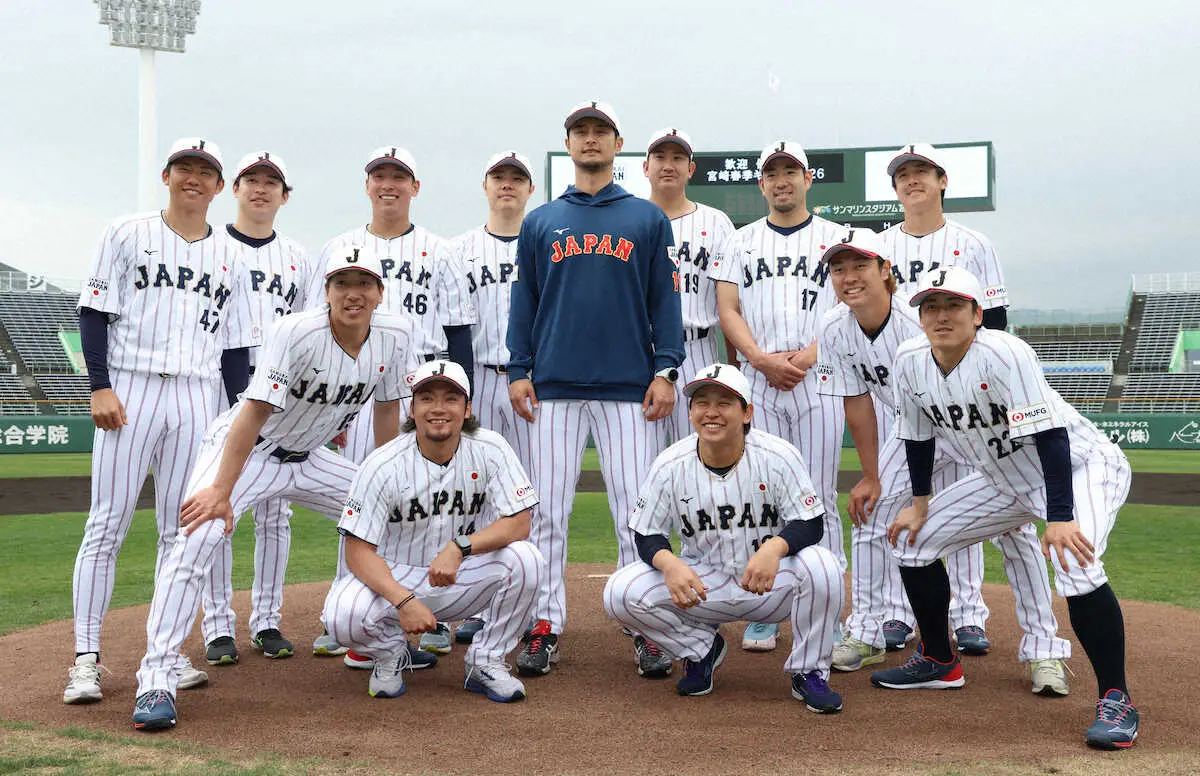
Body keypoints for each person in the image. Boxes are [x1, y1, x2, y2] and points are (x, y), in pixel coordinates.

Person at [130, 247, 420, 731]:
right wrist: (221, 490)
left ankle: (380, 642)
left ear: (379, 292)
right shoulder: (297, 331)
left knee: (396, 517)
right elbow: (254, 412)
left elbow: (388, 410)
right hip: (250, 451)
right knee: (198, 537)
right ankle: (156, 676)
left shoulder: (396, 335)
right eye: (341, 283)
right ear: (325, 292)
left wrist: (383, 482)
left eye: (364, 283)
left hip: (311, 460)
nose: (353, 293)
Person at [870, 266, 1139, 751]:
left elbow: (1051, 437)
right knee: (915, 541)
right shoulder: (910, 360)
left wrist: (1060, 516)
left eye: (953, 305)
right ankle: (938, 661)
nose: (941, 315)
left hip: (1080, 468)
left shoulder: (1003, 353)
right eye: (931, 307)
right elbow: (916, 436)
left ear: (977, 314)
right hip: (1003, 478)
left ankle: (1116, 700)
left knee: (1075, 563)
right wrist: (919, 504)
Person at [814, 231, 1071, 696]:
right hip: (912, 431)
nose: (849, 277)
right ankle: (869, 630)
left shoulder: (923, 320)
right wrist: (871, 475)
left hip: (976, 428)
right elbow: (857, 403)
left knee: (1013, 530)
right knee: (873, 514)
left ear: (885, 270)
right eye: (839, 268)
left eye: (860, 266)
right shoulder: (834, 328)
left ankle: (1041, 648)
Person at [65, 138, 256, 705]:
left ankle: (165, 657)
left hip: (198, 396)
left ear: (220, 187)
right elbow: (94, 311)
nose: (194, 178)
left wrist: (236, 416)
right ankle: (86, 659)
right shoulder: (127, 232)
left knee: (181, 531)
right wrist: (98, 383)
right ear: (167, 175)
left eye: (206, 171)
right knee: (107, 524)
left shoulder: (233, 256)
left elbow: (234, 353)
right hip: (132, 386)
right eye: (185, 168)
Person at [507, 99, 684, 677]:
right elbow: (524, 302)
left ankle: (645, 624)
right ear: (568, 143)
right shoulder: (540, 221)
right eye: (579, 132)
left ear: (616, 143)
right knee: (549, 513)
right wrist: (518, 369)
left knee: (635, 514)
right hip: (554, 387)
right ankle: (544, 624)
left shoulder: (646, 219)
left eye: (599, 132)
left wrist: (665, 370)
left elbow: (665, 301)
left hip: (629, 388)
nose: (589, 140)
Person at [603, 364, 844, 712]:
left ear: (747, 412)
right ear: (690, 413)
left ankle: (808, 672)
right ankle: (702, 649)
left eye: (724, 403)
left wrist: (775, 548)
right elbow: (645, 532)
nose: (711, 412)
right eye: (701, 402)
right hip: (704, 585)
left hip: (768, 583)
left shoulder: (777, 456)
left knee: (823, 566)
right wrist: (669, 563)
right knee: (619, 593)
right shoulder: (670, 463)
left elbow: (811, 522)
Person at [314, 145, 475, 662]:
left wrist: (460, 394)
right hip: (361, 385)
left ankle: (434, 615)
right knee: (363, 499)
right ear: (367, 187)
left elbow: (458, 329)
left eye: (399, 177)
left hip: (427, 384)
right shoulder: (339, 246)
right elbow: (320, 327)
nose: (389, 185)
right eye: (380, 176)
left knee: (432, 502)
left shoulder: (440, 250)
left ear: (414, 187)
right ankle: (347, 610)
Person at [322, 360, 543, 703]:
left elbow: (519, 523)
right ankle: (391, 653)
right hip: (395, 575)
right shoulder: (381, 463)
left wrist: (460, 547)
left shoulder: (491, 448)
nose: (438, 408)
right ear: (411, 409)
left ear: (467, 409)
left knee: (527, 560)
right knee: (341, 617)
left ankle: (486, 661)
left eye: (451, 399)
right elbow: (357, 551)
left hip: (461, 573)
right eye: (427, 399)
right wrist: (404, 600)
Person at [710, 141, 847, 652]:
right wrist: (764, 361)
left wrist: (805, 357)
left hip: (821, 376)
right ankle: (764, 610)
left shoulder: (839, 238)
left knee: (820, 496)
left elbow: (851, 306)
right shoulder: (740, 242)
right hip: (760, 379)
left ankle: (826, 609)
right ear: (761, 184)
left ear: (808, 179)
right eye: (773, 172)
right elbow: (728, 309)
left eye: (792, 171)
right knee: (762, 499)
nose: (783, 180)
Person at [876, 142, 1013, 651]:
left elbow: (996, 323)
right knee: (895, 500)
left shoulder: (974, 243)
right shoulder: (878, 246)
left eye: (923, 173)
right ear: (894, 187)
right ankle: (896, 611)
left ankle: (969, 613)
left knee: (962, 502)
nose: (913, 181)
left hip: (962, 398)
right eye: (904, 174)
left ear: (942, 182)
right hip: (904, 394)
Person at [202, 151, 321, 666]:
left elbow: (311, 334)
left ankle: (267, 620)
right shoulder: (210, 245)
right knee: (217, 508)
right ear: (236, 187)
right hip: (214, 383)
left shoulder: (298, 256)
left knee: (277, 513)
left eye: (272, 182)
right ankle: (216, 625)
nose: (261, 189)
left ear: (285, 195)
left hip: (281, 397)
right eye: (252, 179)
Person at [446, 150, 537, 646]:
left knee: (531, 494)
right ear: (485, 185)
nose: (507, 185)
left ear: (530, 190)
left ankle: (534, 606)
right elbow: (451, 327)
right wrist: (461, 392)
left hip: (534, 380)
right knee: (474, 496)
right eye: (499, 177)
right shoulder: (458, 250)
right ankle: (475, 605)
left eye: (516, 178)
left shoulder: (545, 242)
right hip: (477, 375)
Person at [642, 128, 736, 444]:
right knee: (641, 466)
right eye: (660, 157)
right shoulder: (629, 221)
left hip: (699, 350)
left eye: (678, 157)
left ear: (691, 169)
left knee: (703, 457)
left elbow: (732, 305)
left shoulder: (717, 223)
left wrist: (735, 366)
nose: (669, 165)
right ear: (646, 167)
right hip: (641, 352)